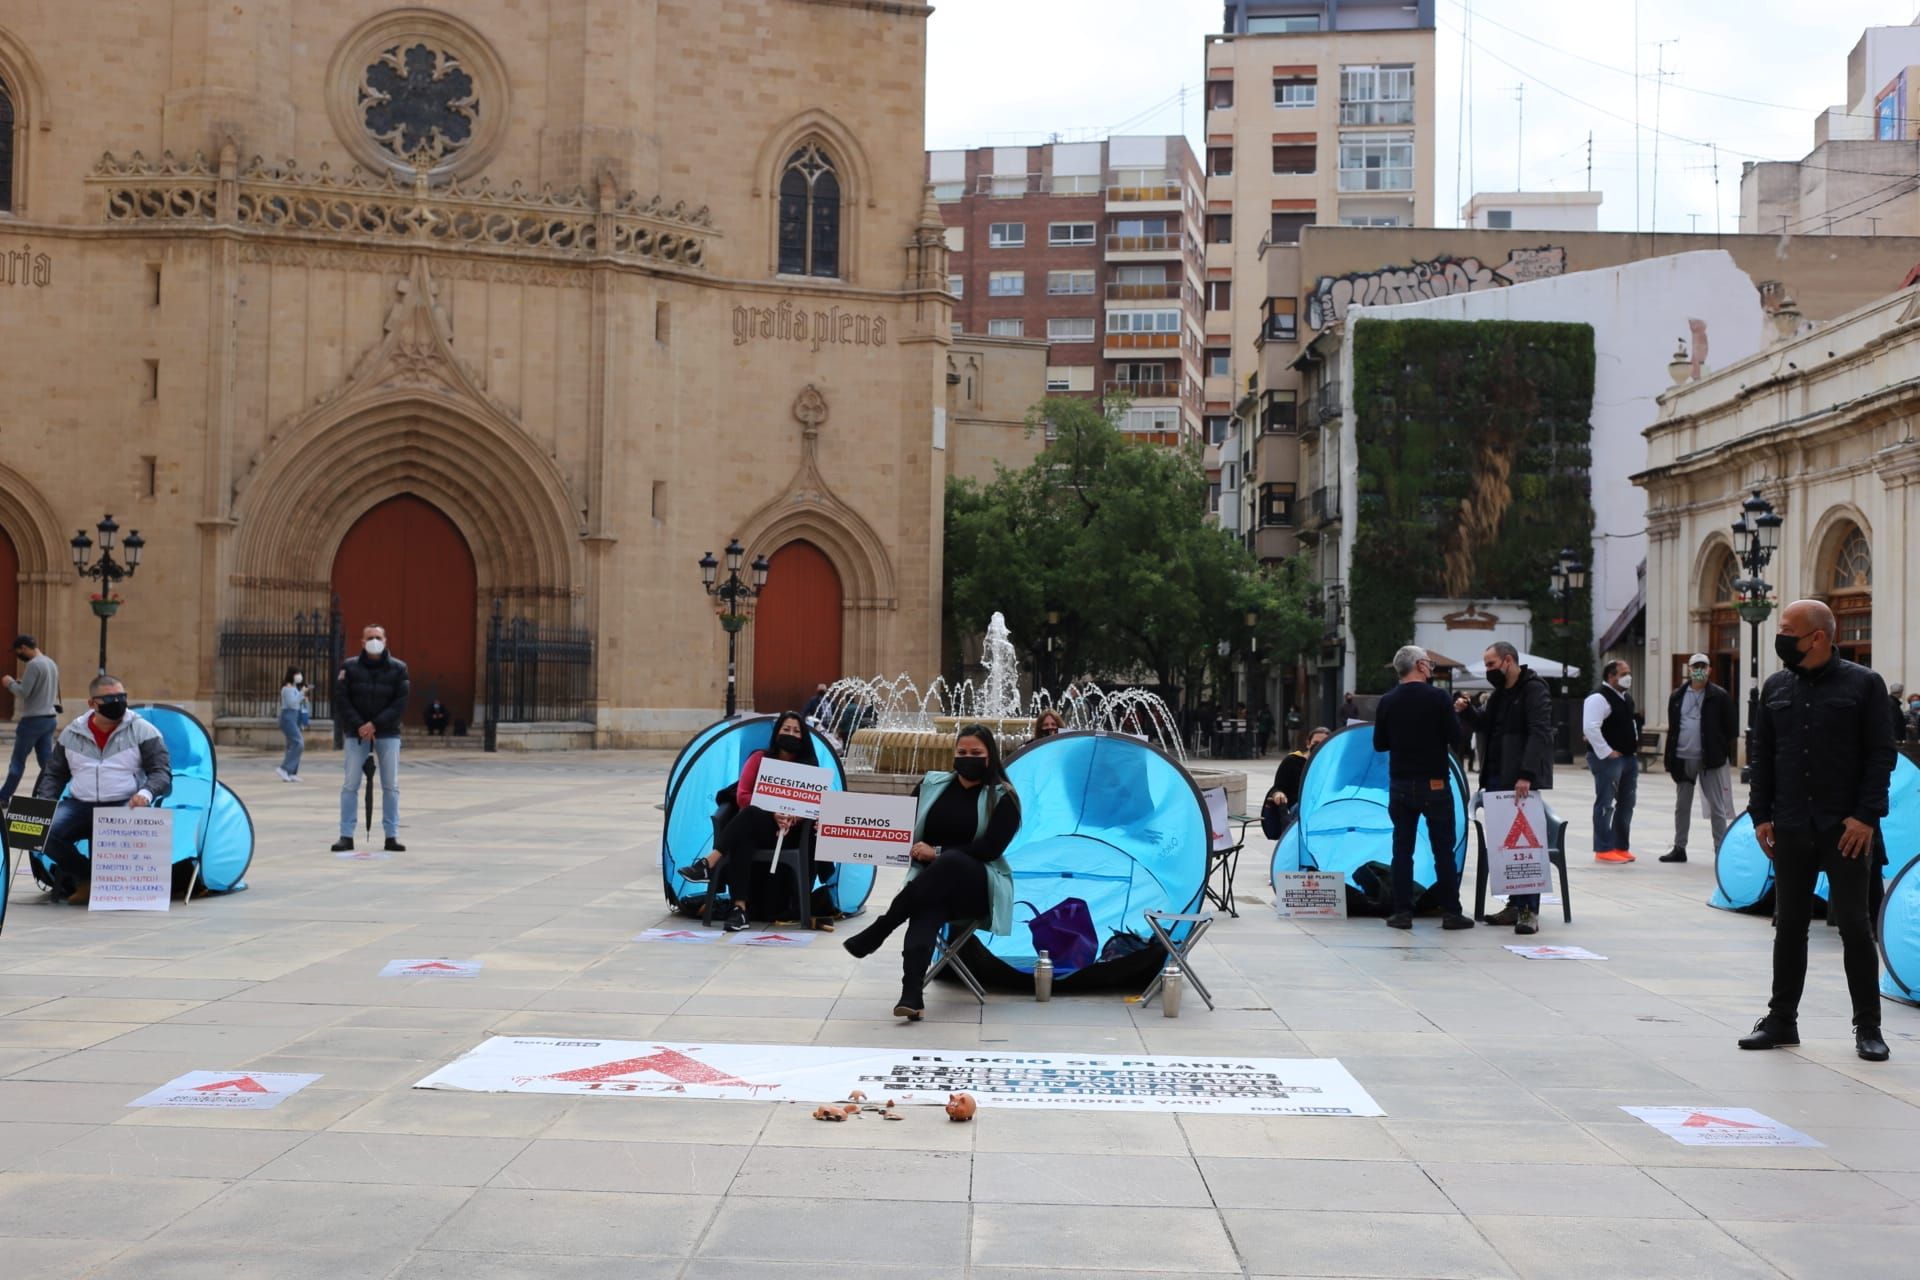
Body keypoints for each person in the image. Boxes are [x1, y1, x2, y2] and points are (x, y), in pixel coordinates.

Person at [1740, 599, 1896, 1063]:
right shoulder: (1776, 687)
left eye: (1789, 629)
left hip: (1845, 827)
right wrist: (1759, 814)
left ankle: (1868, 1027)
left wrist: (1866, 816)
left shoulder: (1864, 685)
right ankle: (1782, 1021)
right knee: (1789, 925)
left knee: (1853, 924)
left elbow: (1881, 754)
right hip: (1789, 824)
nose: (1781, 636)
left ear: (1818, 637)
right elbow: (1762, 755)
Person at [842, 724, 1020, 1020]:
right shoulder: (932, 785)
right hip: (931, 886)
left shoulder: (1003, 797)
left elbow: (989, 849)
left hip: (977, 886)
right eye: (961, 752)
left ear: (991, 756)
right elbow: (893, 823)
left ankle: (883, 926)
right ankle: (911, 994)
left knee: (948, 862)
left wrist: (935, 852)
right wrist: (842, 829)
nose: (967, 757)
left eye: (975, 753)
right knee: (926, 910)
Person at [31, 674, 172, 906]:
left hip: (124, 804)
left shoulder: (144, 731)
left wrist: (146, 793)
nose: (117, 702)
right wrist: (44, 803)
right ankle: (87, 877)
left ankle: (105, 886)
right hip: (79, 804)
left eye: (121, 696)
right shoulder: (71, 733)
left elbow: (161, 772)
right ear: (92, 703)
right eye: (109, 698)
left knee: (111, 846)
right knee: (42, 830)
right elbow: (55, 773)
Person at [680, 710, 818, 931]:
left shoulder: (809, 766)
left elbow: (814, 805)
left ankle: (709, 863)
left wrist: (795, 816)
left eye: (796, 730)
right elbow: (742, 795)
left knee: (744, 831)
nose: (790, 734)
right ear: (777, 733)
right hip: (762, 824)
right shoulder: (759, 758)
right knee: (750, 816)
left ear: (803, 736)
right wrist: (774, 811)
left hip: (791, 834)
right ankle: (739, 909)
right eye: (786, 729)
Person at [1458, 641, 1555, 935]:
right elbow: (1485, 725)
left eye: (1491, 664)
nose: (1488, 670)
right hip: (1498, 778)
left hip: (1520, 780)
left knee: (1525, 847)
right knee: (1506, 848)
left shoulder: (1534, 688)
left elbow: (1539, 731)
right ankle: (1514, 904)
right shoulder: (1500, 694)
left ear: (1508, 661)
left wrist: (1526, 774)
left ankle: (1529, 911)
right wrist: (1467, 711)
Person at [1374, 646, 1471, 930]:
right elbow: (1455, 737)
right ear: (1419, 665)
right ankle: (1451, 912)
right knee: (1443, 849)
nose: (1431, 667)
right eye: (1429, 663)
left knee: (1402, 850)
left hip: (1401, 783)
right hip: (1435, 784)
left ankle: (1402, 913)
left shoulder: (1388, 700)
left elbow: (1380, 743)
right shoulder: (1439, 698)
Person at [332, 624, 409, 854]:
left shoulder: (399, 669)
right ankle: (346, 835)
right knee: (350, 784)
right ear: (361, 642)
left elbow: (400, 703)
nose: (374, 640)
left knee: (391, 785)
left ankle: (391, 835)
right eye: (370, 637)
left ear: (386, 640)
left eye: (378, 637)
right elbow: (342, 699)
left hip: (387, 732)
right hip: (356, 733)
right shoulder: (349, 667)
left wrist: (375, 724)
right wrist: (360, 725)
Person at [1662, 654, 1737, 863]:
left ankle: (1720, 849)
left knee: (1717, 806)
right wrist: (1670, 757)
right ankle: (1679, 847)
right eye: (1696, 666)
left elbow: (1731, 728)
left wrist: (1719, 750)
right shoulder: (1677, 695)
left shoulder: (1719, 696)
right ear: (1689, 668)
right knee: (1682, 805)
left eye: (1703, 666)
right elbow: (1673, 727)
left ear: (1710, 670)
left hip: (1710, 760)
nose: (1699, 670)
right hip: (1683, 758)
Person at [1582, 660, 1640, 864]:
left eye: (1629, 672)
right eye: (1623, 673)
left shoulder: (1625, 698)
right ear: (1610, 677)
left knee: (1627, 803)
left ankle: (1620, 845)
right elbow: (1590, 727)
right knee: (1605, 803)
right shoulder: (1598, 698)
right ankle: (1603, 848)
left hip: (1628, 757)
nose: (1628, 677)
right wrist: (1606, 752)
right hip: (1608, 760)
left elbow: (1631, 723)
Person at [2, 635, 60, 806]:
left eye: (18, 651)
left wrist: (9, 683)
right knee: (46, 763)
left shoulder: (34, 665)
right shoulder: (50, 663)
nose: (18, 655)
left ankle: (3, 797)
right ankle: (48, 795)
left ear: (24, 648)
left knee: (18, 762)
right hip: (49, 719)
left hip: (32, 721)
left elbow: (23, 692)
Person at [1261, 725, 1330, 839]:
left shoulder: (1331, 765)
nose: (1319, 746)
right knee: (1304, 808)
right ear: (1308, 743)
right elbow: (1278, 787)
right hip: (1297, 807)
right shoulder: (1292, 761)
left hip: (1323, 807)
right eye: (1315, 742)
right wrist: (1278, 794)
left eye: (1323, 743)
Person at [275, 667, 308, 783]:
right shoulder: (287, 688)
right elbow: (292, 703)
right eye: (297, 673)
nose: (299, 676)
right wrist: (301, 693)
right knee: (298, 743)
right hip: (287, 717)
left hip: (295, 717)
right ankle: (284, 768)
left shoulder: (294, 688)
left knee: (292, 745)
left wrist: (303, 696)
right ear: (292, 675)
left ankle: (292, 772)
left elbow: (297, 704)